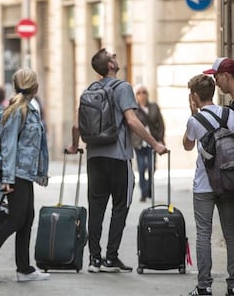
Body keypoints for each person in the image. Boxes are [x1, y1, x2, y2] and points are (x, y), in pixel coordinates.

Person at [66, 48, 167, 274]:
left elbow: (75, 125)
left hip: (94, 158)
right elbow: (132, 121)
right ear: (110, 65)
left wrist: (74, 146)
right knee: (120, 206)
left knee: (96, 207)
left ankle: (94, 259)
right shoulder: (122, 88)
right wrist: (155, 144)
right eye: (113, 56)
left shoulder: (89, 90)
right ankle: (111, 258)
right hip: (118, 157)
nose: (116, 57)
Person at [0, 68, 50, 283]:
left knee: (26, 218)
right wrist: (7, 180)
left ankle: (24, 269)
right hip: (15, 173)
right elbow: (9, 146)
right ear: (34, 86)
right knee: (15, 219)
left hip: (25, 173)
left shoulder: (30, 109)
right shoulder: (16, 111)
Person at [183, 74, 234, 296]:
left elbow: (187, 145)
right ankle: (233, 285)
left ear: (194, 96)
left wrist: (192, 113)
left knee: (203, 234)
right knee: (231, 234)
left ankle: (204, 286)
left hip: (204, 186)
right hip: (229, 182)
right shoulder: (229, 113)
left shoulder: (195, 120)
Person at [131, 84, 165, 202]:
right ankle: (143, 192)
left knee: (151, 167)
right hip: (139, 143)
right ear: (136, 95)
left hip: (152, 142)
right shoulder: (133, 109)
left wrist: (160, 139)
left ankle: (149, 188)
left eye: (144, 92)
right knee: (141, 168)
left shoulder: (154, 107)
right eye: (139, 93)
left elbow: (160, 124)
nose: (142, 95)